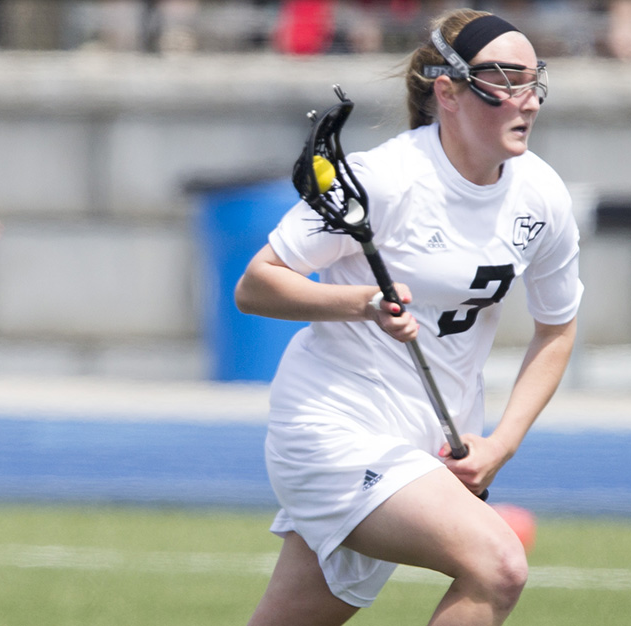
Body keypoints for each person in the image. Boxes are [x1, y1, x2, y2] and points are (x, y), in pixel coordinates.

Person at [234, 8, 578, 626]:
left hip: (424, 445)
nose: (524, 100)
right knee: (498, 565)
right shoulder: (384, 179)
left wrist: (500, 444)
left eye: (533, 81)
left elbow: (556, 331)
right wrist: (362, 304)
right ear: (447, 91)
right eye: (502, 79)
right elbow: (257, 284)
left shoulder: (542, 196)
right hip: (333, 429)